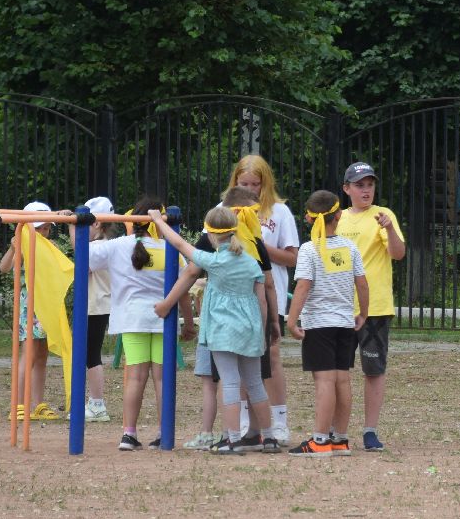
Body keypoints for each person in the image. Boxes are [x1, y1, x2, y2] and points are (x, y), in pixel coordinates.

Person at [149, 206, 275, 455]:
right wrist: (263, 331)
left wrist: (157, 221)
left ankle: (234, 439)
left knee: (229, 382)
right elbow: (262, 301)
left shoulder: (214, 261)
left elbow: (178, 243)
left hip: (222, 330)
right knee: (254, 383)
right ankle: (268, 437)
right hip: (250, 329)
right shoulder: (251, 263)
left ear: (211, 235)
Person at [87, 196, 194, 451]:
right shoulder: (170, 249)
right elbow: (185, 289)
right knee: (162, 378)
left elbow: (85, 255)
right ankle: (163, 432)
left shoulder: (118, 245)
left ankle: (128, 433)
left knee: (135, 378)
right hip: (164, 320)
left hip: (132, 319)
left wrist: (79, 226)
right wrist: (189, 323)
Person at [285, 190, 369, 456]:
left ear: (309, 218)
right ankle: (340, 439)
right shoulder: (350, 247)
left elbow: (303, 287)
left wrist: (291, 319)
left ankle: (320, 441)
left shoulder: (310, 249)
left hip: (319, 324)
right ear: (339, 215)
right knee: (342, 381)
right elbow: (362, 283)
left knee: (324, 381)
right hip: (345, 323)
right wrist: (363, 313)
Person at [229, 155, 300, 446]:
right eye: (243, 183)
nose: (248, 189)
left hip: (268, 292)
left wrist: (257, 245)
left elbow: (292, 257)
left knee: (270, 355)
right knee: (239, 357)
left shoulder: (279, 212)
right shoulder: (224, 209)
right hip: (233, 295)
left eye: (254, 184)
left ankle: (279, 420)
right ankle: (248, 424)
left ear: (264, 184)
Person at [340, 161, 405, 451]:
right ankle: (334, 430)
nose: (366, 190)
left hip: (374, 307)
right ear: (347, 189)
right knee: (336, 371)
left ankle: (369, 431)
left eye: (370, 184)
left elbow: (398, 253)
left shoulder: (383, 215)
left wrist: (390, 229)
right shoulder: (336, 218)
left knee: (373, 369)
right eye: (359, 185)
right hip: (339, 306)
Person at [0, 200, 60, 421]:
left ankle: (38, 403)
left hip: (46, 304)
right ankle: (19, 404)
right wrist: (15, 247)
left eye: (47, 228)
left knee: (42, 355)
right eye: (40, 228)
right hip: (30, 306)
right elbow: (4, 268)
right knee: (28, 354)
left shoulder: (49, 246)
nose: (45, 232)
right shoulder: (24, 246)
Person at [80, 196, 116, 424]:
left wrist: (74, 228)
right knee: (89, 353)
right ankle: (95, 403)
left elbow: (83, 265)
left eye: (83, 225)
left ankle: (97, 404)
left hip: (96, 304)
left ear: (95, 224)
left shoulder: (96, 247)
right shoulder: (109, 245)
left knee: (91, 354)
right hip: (99, 303)